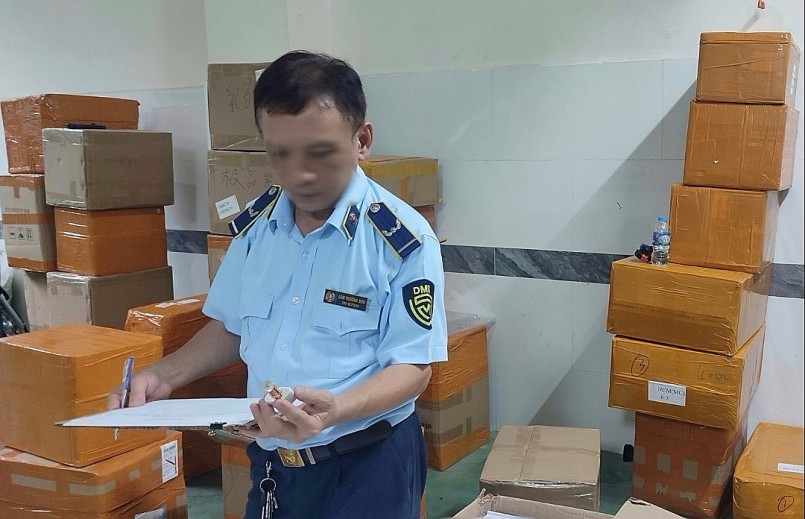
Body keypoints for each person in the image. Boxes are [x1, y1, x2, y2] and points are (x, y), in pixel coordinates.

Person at [107, 50, 448, 519]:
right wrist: (163, 376)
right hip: (275, 464)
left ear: (362, 140)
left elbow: (413, 368)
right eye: (280, 153)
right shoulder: (258, 230)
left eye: (319, 152)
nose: (299, 174)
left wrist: (336, 410)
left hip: (369, 465)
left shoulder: (401, 240)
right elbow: (232, 326)